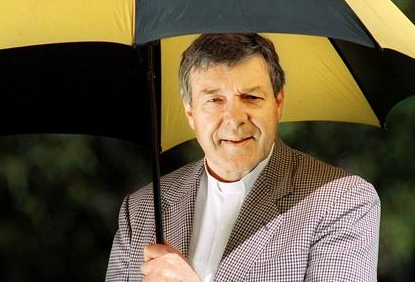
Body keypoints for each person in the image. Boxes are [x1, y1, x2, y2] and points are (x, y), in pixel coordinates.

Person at [106, 33, 380, 281]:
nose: (234, 120)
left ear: (278, 103)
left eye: (250, 97)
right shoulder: (141, 210)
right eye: (214, 100)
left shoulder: (343, 201)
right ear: (190, 113)